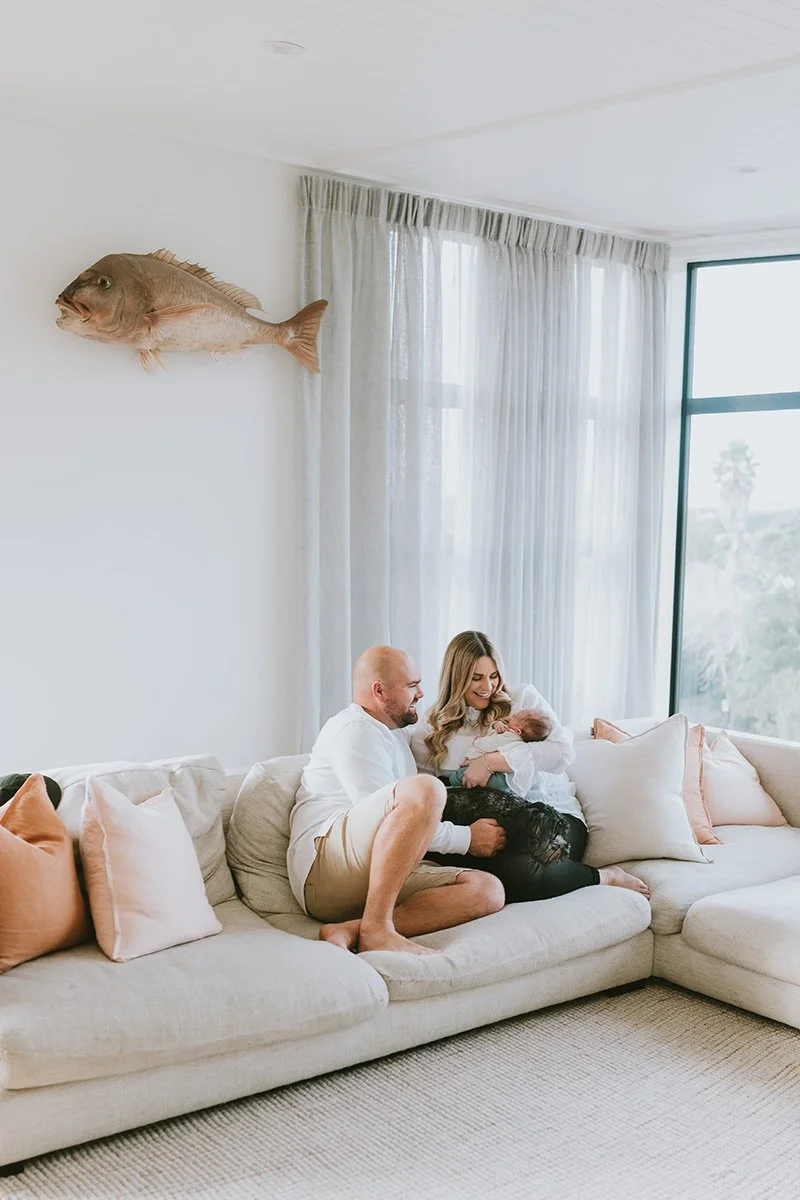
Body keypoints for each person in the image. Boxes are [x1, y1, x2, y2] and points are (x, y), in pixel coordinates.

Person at [287, 645, 506, 956]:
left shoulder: (394, 734)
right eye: (412, 685)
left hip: (374, 871)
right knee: (426, 789)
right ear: (379, 691)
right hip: (324, 872)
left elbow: (407, 824)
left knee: (489, 891)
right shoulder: (355, 729)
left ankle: (353, 928)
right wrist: (467, 838)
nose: (421, 693)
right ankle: (377, 929)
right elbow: (392, 820)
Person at [411, 630, 650, 903]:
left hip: (552, 818)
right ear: (456, 677)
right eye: (476, 678)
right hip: (488, 824)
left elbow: (562, 752)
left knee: (523, 872)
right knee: (441, 854)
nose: (488, 686)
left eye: (494, 676)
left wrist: (490, 762)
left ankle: (604, 877)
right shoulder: (431, 726)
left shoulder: (522, 699)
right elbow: (427, 794)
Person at [447, 708, 552, 792]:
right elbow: (493, 729)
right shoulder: (512, 736)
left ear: (517, 731)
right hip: (502, 776)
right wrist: (497, 724)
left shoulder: (509, 737)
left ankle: (452, 782)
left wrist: (478, 741)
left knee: (462, 774)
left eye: (515, 716)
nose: (513, 715)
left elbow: (489, 744)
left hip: (500, 777)